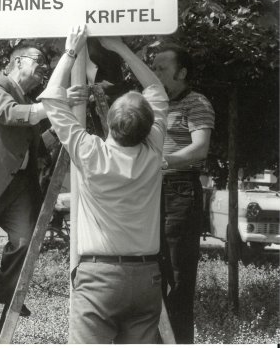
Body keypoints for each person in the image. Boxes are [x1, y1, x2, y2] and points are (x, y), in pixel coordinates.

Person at [0, 42, 87, 344]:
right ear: (17, 61)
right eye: (39, 64)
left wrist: (64, 125)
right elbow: (9, 113)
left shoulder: (31, 101)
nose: (43, 72)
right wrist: (56, 102)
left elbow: (36, 146)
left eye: (47, 69)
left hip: (18, 190)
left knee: (25, 243)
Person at [38, 25, 169, 344]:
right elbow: (157, 89)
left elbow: (52, 99)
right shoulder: (153, 150)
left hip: (100, 276)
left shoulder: (89, 152)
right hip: (146, 275)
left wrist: (71, 49)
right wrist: (121, 48)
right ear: (150, 127)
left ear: (108, 121)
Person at [153, 43, 215, 344]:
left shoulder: (196, 103)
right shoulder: (154, 103)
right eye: (154, 67)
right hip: (152, 191)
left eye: (162, 68)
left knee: (178, 275)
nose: (156, 73)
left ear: (182, 72)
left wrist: (163, 161)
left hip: (179, 190)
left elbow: (199, 148)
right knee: (151, 270)